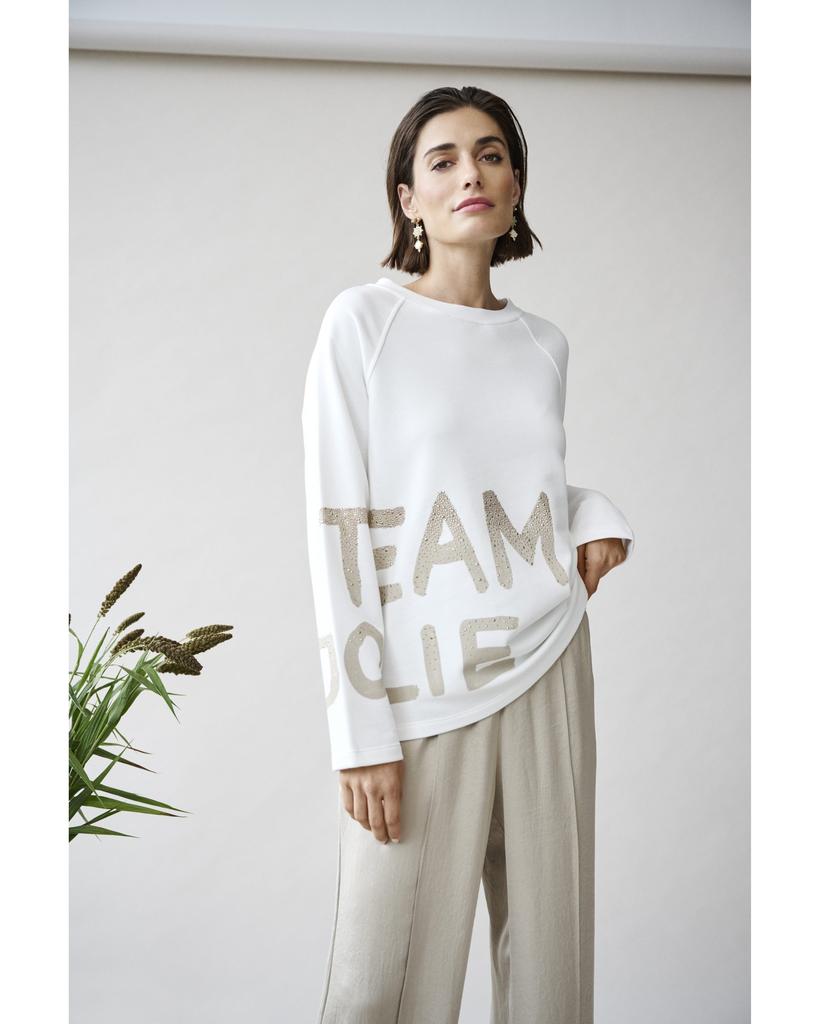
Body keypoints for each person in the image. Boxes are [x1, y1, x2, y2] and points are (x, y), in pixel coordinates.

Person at [300, 84, 635, 1024]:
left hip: (548, 660)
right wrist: (360, 734)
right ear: (407, 198)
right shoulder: (362, 325)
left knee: (548, 971)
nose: (470, 174)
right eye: (441, 160)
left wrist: (590, 509)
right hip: (424, 687)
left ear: (515, 185)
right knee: (379, 985)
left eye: (490, 154)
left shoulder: (542, 344)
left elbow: (504, 487)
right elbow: (341, 525)